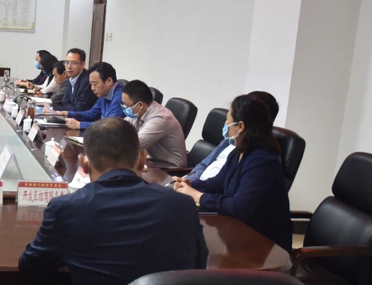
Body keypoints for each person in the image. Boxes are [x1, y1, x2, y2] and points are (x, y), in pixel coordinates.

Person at [19, 118, 207, 285]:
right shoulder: (182, 205)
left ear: (84, 163)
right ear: (142, 159)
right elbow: (198, 267)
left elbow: (32, 269)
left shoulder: (67, 208)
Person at [174, 94, 292, 251]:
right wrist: (190, 185)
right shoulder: (239, 152)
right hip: (237, 231)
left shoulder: (263, 161)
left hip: (263, 244)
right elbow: (217, 183)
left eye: (228, 121)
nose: (225, 124)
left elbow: (239, 207)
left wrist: (197, 196)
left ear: (240, 126)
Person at [185, 91, 279, 182]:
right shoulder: (231, 141)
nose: (226, 123)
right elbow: (205, 166)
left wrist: (194, 190)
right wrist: (187, 181)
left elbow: (226, 188)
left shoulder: (263, 160)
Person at [121, 80, 187, 168]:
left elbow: (133, 146)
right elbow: (120, 128)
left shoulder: (160, 119)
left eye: (126, 105)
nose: (124, 107)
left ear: (140, 105)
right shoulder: (138, 111)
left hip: (169, 169)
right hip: (149, 162)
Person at [57, 62, 125, 129]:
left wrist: (79, 125)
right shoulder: (104, 93)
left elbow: (111, 125)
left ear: (109, 81)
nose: (92, 88)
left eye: (95, 84)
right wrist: (67, 114)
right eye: (91, 84)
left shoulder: (120, 97)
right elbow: (90, 114)